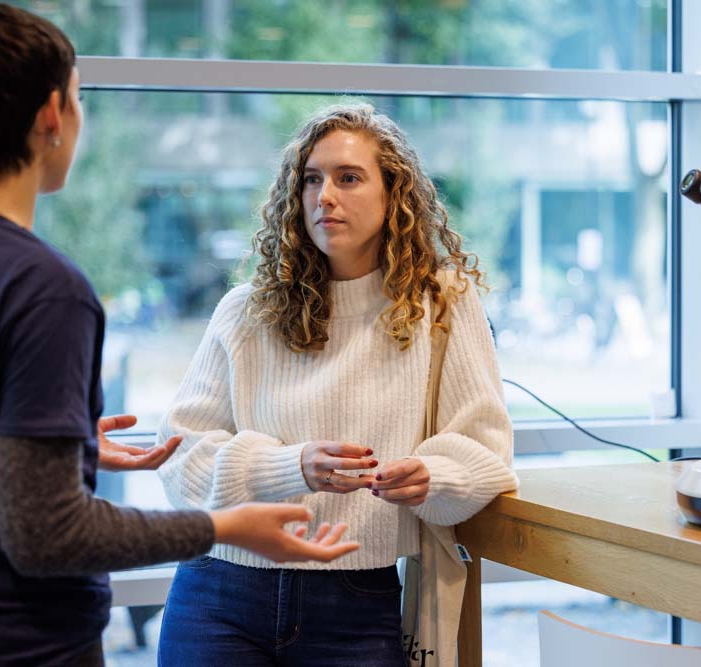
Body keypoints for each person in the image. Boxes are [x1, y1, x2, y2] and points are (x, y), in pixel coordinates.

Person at [0, 4, 357, 666]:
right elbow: (48, 534)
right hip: (21, 651)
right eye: (79, 98)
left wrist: (56, 450)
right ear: (52, 114)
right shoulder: (45, 288)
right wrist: (221, 526)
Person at [156, 103, 519, 666]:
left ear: (394, 194)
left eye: (348, 178)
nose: (324, 196)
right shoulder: (246, 310)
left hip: (355, 602)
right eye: (311, 179)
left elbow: (487, 452)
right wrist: (289, 467)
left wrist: (432, 478)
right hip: (219, 593)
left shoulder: (442, 305)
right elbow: (180, 460)